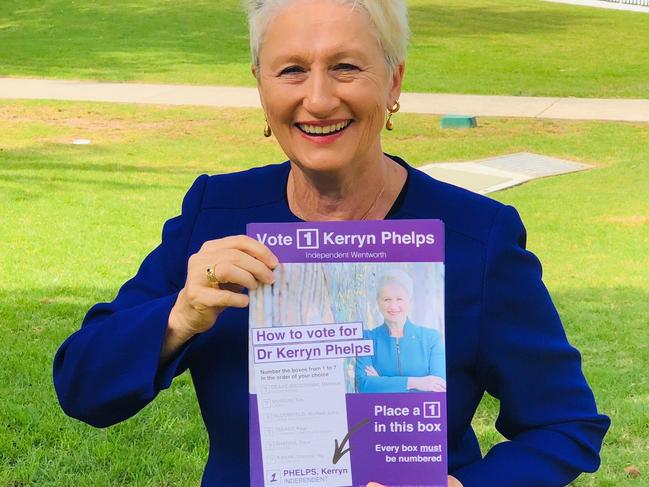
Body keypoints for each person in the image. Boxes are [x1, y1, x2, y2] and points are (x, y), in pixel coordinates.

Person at [53, 1, 610, 486]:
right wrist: (180, 315)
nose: (318, 99)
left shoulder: (477, 236)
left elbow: (565, 424)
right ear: (260, 85)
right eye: (292, 70)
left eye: (346, 67)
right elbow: (82, 388)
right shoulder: (214, 214)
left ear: (393, 82)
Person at [356, 269, 447, 393]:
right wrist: (417, 383)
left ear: (410, 301)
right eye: (387, 299)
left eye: (399, 299)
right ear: (378, 302)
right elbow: (364, 385)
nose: (393, 306)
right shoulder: (367, 339)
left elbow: (439, 388)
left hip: (418, 411)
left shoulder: (431, 339)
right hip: (378, 411)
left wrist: (381, 382)